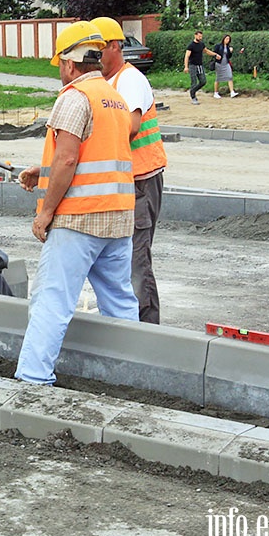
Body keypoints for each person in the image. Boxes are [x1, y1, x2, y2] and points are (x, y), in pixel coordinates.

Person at [14, 21, 139, 385]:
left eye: (59, 65)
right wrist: (43, 171)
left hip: (79, 219)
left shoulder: (74, 97)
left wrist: (46, 212)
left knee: (52, 299)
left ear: (69, 63)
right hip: (117, 218)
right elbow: (93, 153)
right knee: (119, 302)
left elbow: (69, 159)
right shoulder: (113, 97)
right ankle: (134, 374)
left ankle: (33, 377)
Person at [91, 16, 167, 324]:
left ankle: (145, 333)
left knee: (136, 265)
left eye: (97, 50)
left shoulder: (130, 80)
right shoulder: (107, 83)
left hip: (141, 182)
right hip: (123, 184)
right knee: (118, 262)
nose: (93, 57)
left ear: (113, 46)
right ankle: (125, 326)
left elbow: (130, 128)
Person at [183, 30, 221, 105]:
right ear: (195, 35)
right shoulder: (191, 45)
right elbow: (187, 56)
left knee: (203, 81)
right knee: (194, 82)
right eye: (199, 36)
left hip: (200, 65)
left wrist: (215, 55)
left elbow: (206, 51)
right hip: (192, 66)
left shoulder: (201, 44)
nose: (200, 38)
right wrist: (186, 67)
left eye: (201, 36)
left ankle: (193, 91)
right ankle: (193, 97)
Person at [212, 34, 239, 98]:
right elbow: (214, 53)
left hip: (226, 63)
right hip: (219, 63)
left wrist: (230, 51)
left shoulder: (228, 47)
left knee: (230, 76)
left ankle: (232, 92)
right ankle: (215, 92)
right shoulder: (218, 46)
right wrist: (216, 56)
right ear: (223, 39)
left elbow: (229, 56)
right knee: (218, 78)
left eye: (228, 39)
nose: (227, 40)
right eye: (226, 39)